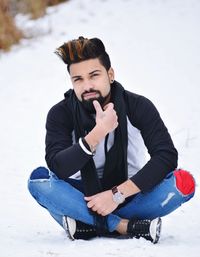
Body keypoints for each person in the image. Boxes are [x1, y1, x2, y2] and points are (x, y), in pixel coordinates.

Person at [28, 36, 195, 244]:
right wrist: (98, 133)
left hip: (132, 194)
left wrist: (116, 195)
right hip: (82, 197)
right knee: (39, 182)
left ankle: (85, 225)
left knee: (183, 184)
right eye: (78, 79)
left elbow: (166, 156)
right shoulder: (60, 113)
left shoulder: (138, 106)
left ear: (110, 74)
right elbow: (58, 166)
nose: (87, 85)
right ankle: (122, 226)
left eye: (94, 75)